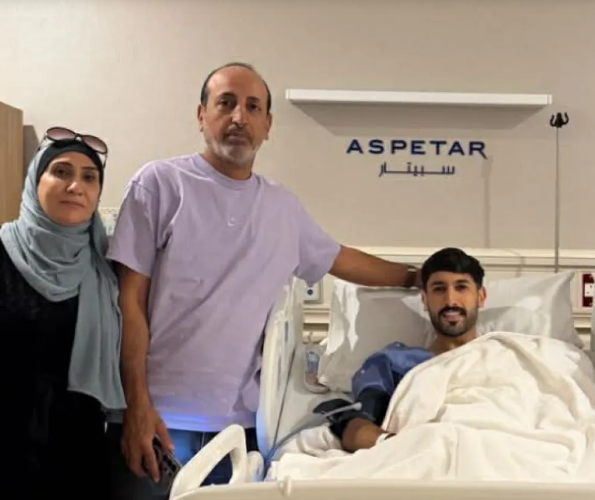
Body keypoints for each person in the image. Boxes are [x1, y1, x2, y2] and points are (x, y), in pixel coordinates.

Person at [105, 61, 423, 499]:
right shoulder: (160, 184)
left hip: (240, 429)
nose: (239, 116)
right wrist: (137, 405)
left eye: (253, 107)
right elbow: (129, 303)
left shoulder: (282, 208)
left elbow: (339, 258)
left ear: (267, 125)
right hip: (158, 422)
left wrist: (419, 277)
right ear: (201, 115)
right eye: (226, 103)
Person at [0, 127, 124, 497]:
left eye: (89, 177)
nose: (75, 186)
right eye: (61, 172)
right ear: (35, 181)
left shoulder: (107, 270)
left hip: (80, 458)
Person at [319, 247, 486, 452]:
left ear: (481, 296)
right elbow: (358, 430)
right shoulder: (393, 363)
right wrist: (416, 449)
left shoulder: (508, 353)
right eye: (439, 289)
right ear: (424, 300)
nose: (450, 301)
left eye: (461, 287)